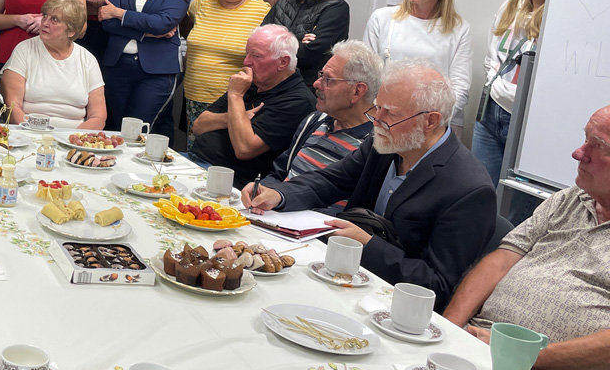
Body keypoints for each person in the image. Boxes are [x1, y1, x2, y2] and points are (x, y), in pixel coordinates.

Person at [244, 61, 495, 305]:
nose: (376, 121)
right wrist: (279, 194)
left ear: (430, 121)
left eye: (390, 114)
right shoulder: (390, 140)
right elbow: (332, 179)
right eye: (377, 108)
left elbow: (437, 285)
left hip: (395, 303)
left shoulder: (469, 190)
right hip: (348, 277)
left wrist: (367, 245)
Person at [444, 105, 610, 370]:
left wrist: (521, 356)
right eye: (586, 138)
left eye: (600, 146)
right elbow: (501, 260)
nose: (579, 153)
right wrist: (447, 330)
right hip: (478, 341)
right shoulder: (569, 199)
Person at [471, 0, 574, 193]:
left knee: (513, 202)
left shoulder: (564, 16)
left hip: (529, 120)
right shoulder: (509, 8)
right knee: (476, 191)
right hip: (491, 114)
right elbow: (491, 56)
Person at [257, 40, 381, 214]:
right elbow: (280, 173)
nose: (316, 83)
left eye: (328, 79)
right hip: (277, 215)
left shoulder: (376, 145)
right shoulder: (315, 121)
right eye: (320, 75)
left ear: (357, 91)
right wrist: (261, 191)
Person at [189, 25, 316, 186]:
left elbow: (244, 149)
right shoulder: (252, 83)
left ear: (283, 62)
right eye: (247, 53)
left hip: (231, 181)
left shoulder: (297, 101)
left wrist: (235, 97)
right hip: (196, 160)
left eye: (256, 56)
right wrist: (236, 117)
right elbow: (199, 126)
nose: (246, 62)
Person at [99, 0, 191, 136]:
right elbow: (108, 22)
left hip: (158, 71)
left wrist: (120, 13)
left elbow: (164, 23)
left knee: (135, 130)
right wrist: (148, 31)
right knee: (118, 128)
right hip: (117, 65)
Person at [364, 0, 472, 128]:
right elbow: (368, 74)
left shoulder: (459, 28)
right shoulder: (383, 18)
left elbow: (460, 87)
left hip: (432, 123)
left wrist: (430, 122)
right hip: (384, 116)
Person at [182, 0, 271, 127]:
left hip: (231, 103)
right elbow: (185, 28)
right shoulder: (202, 4)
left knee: (216, 152)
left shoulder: (262, 12)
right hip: (193, 97)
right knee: (192, 151)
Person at [1, 0, 107, 130]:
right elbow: (12, 106)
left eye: (54, 19)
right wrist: (36, 134)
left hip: (74, 138)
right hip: (30, 132)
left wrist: (72, 139)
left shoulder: (87, 59)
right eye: (45, 15)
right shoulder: (24, 50)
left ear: (71, 31)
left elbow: (98, 116)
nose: (45, 22)